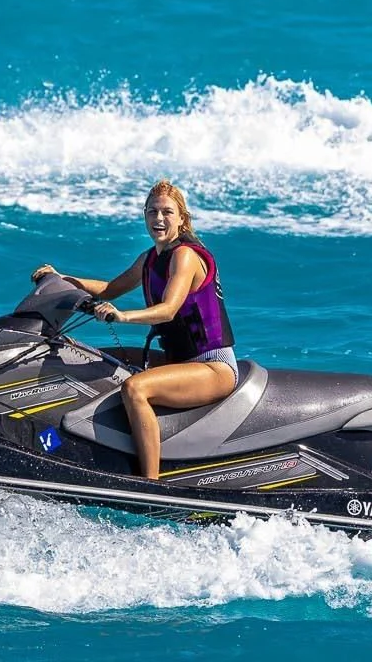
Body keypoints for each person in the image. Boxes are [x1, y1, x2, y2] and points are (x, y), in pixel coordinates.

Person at [31, 180, 236, 480]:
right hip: (179, 360)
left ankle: (149, 484)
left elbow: (168, 310)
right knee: (93, 359)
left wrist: (122, 317)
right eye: (152, 212)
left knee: (135, 388)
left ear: (182, 218)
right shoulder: (149, 258)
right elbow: (110, 289)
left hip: (213, 365)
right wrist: (64, 280)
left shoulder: (186, 256)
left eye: (167, 212)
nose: (159, 219)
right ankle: (64, 444)